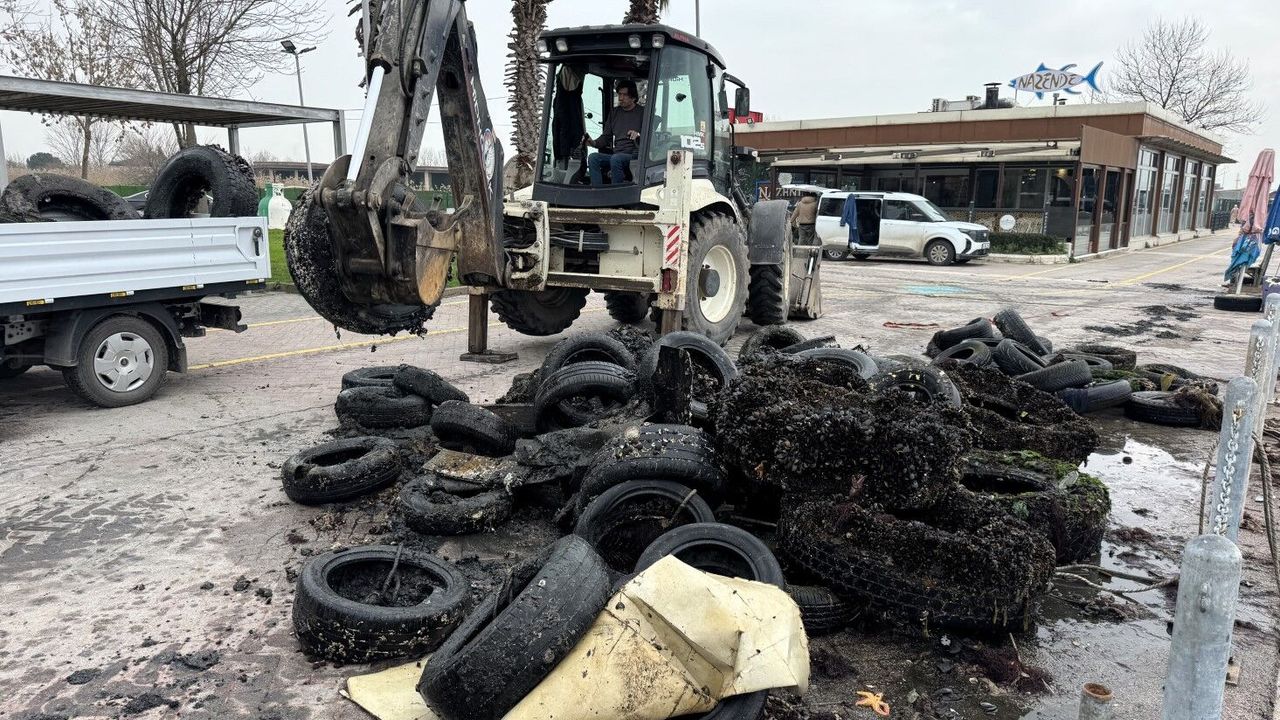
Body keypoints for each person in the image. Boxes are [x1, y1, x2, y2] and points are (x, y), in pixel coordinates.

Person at [585, 79, 644, 186]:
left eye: (624, 95)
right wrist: (593, 142)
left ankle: (615, 190)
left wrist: (638, 135)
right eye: (619, 94)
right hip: (616, 155)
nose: (620, 98)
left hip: (635, 155)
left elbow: (651, 138)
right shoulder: (614, 113)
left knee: (616, 159)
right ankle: (596, 191)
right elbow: (606, 137)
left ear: (633, 97)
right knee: (593, 158)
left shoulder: (643, 112)